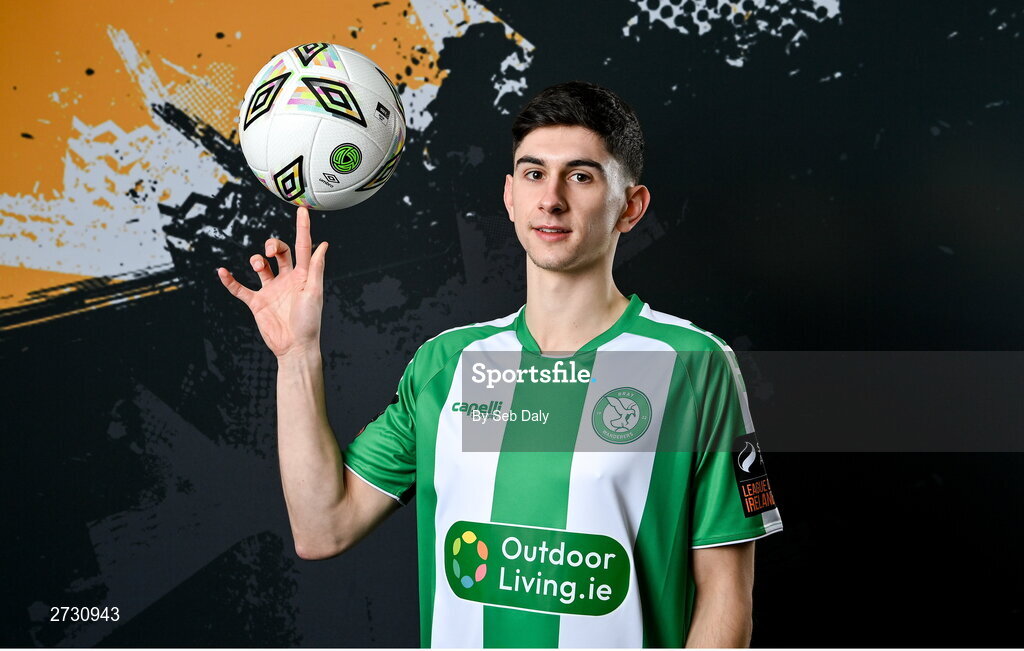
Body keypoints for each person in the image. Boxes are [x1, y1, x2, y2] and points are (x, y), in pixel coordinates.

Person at [216, 81, 782, 648]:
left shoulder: (693, 365)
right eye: (534, 174)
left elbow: (726, 597)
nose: (551, 199)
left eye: (581, 176)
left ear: (630, 208)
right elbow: (324, 528)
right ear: (510, 197)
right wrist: (297, 356)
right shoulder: (447, 363)